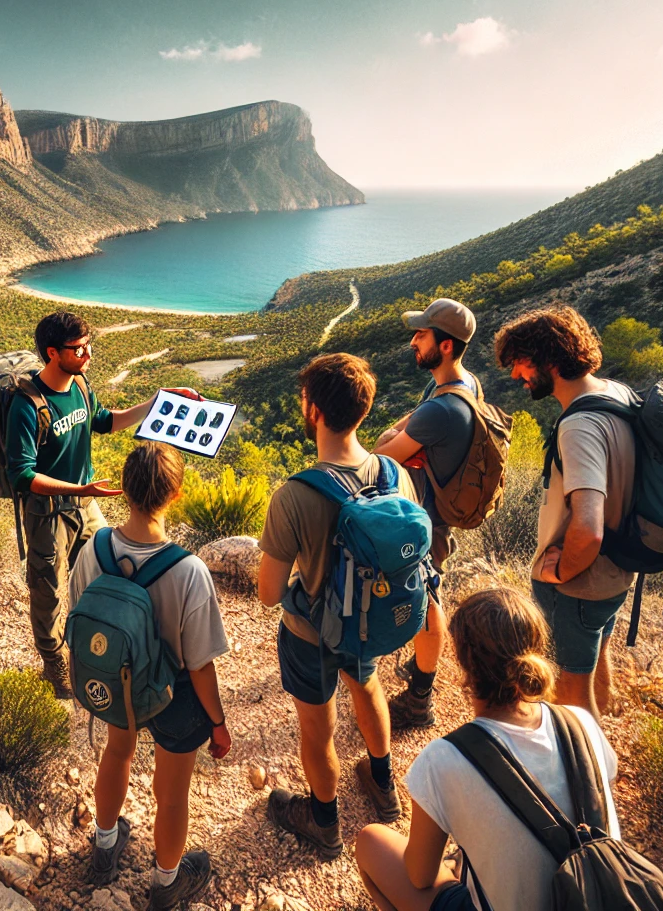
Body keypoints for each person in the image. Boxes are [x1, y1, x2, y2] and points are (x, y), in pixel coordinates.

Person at [356, 586, 620, 911]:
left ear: (463, 663)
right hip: (598, 893)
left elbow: (420, 876)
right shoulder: (581, 723)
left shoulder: (444, 759)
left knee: (370, 841)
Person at [257, 353, 421, 856]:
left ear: (312, 411)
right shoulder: (394, 475)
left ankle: (323, 821)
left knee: (317, 726)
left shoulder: (295, 495)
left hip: (312, 635)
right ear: (363, 411)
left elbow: (267, 594)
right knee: (366, 683)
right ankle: (383, 784)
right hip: (372, 623)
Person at [69, 442, 230, 910]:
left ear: (124, 491)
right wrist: (217, 721)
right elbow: (199, 664)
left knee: (116, 753)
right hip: (175, 695)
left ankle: (104, 846)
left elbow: (81, 617)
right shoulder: (189, 571)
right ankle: (166, 882)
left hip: (118, 681)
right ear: (175, 493)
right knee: (173, 793)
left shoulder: (92, 552)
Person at [6, 312, 199, 698]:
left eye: (88, 344)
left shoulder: (78, 383)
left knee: (110, 572)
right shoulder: (27, 406)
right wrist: (81, 490)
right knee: (49, 591)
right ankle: (55, 665)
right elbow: (22, 475)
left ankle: (105, 642)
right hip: (49, 513)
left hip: (85, 502)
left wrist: (160, 400)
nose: (88, 353)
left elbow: (106, 421)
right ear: (52, 353)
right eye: (78, 349)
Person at [494, 305, 634, 717]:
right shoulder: (615, 393)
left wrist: (560, 572)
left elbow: (588, 528)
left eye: (519, 363)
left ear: (548, 358)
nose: (515, 376)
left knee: (570, 689)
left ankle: (582, 774)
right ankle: (601, 756)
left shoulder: (580, 427)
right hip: (616, 570)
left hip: (579, 584)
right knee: (590, 662)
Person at [374, 298, 478, 730]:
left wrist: (395, 437)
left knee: (426, 598)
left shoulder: (443, 408)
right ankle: (420, 675)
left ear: (447, 345)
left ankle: (421, 698)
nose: (413, 340)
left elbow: (382, 453)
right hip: (431, 514)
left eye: (422, 334)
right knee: (425, 593)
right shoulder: (460, 384)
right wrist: (402, 436)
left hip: (426, 521)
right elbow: (405, 431)